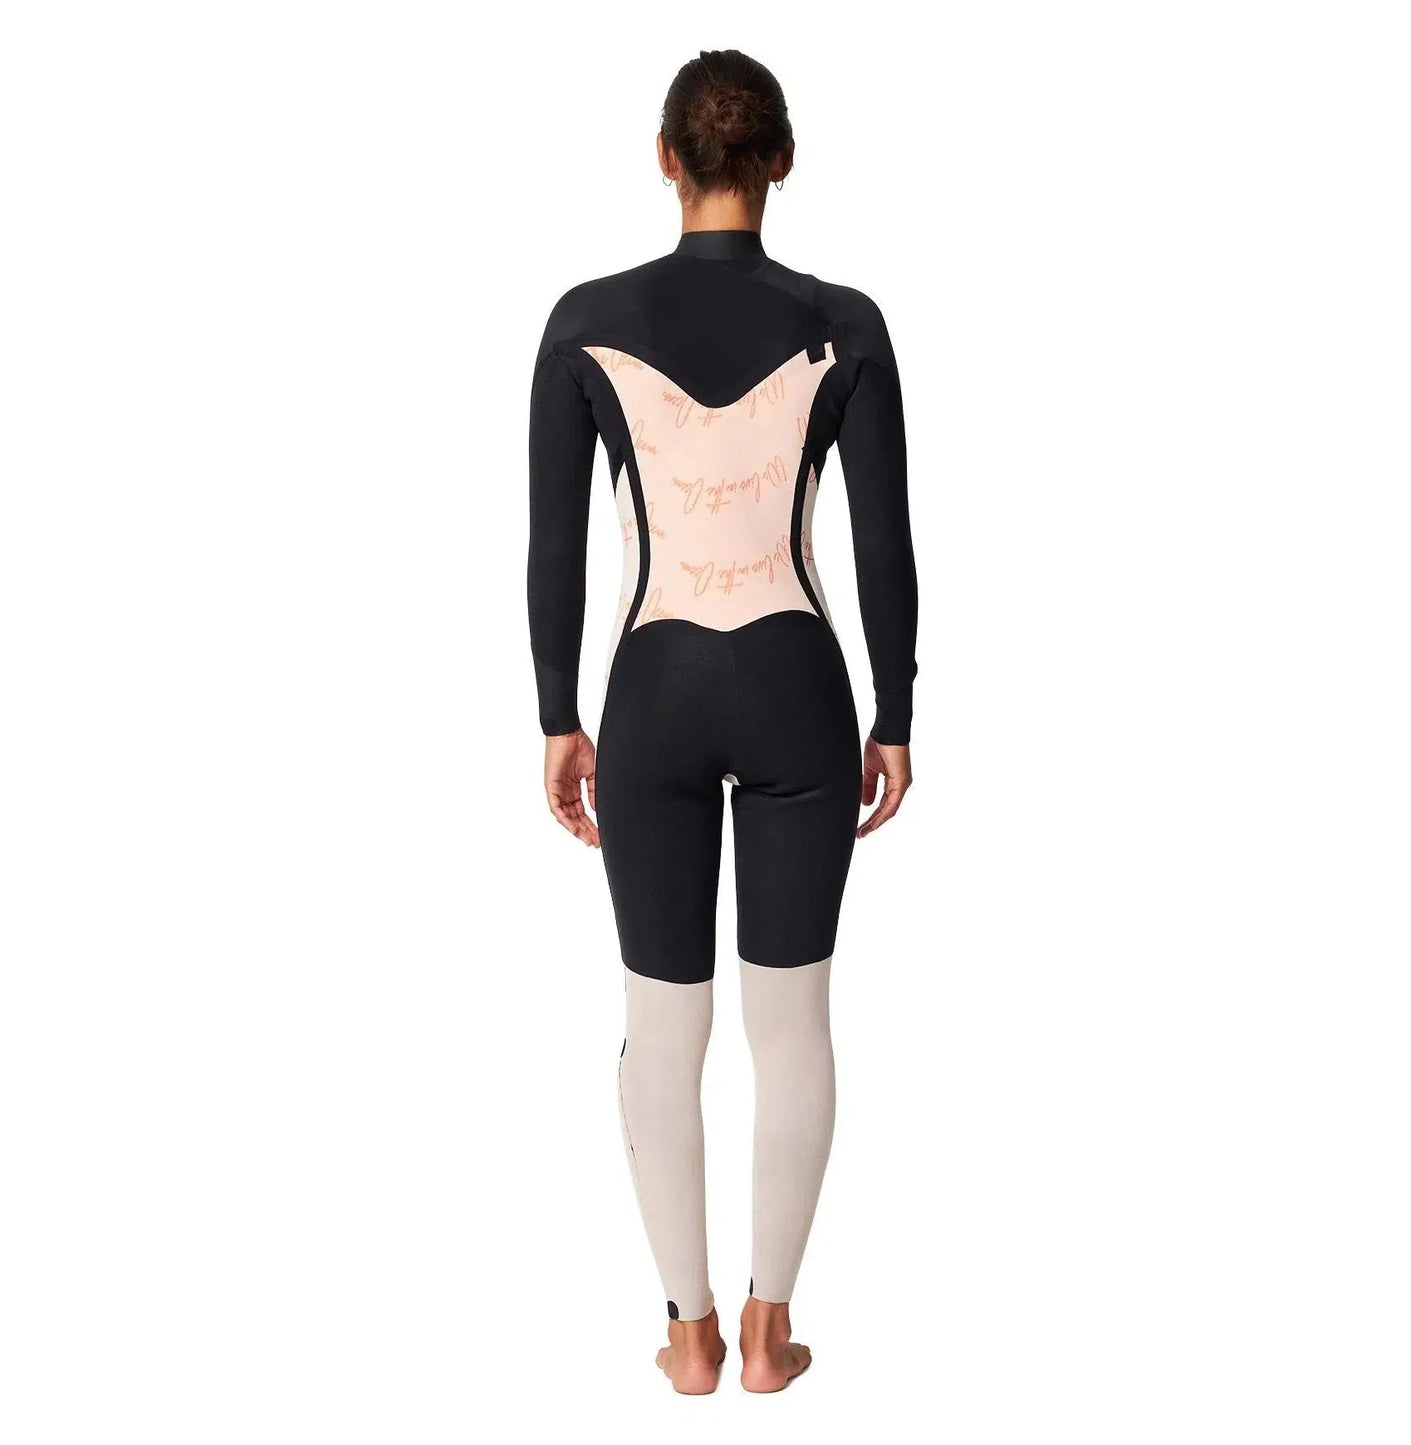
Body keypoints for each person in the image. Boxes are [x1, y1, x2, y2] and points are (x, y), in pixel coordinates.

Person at [527, 49, 917, 1394]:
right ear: (782, 163)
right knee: (791, 1019)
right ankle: (768, 1331)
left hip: (650, 698)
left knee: (662, 1019)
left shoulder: (584, 322)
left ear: (665, 160)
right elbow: (884, 545)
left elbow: (556, 547)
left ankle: (685, 1333)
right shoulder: (845, 324)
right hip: (801, 691)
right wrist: (896, 710)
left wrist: (557, 714)